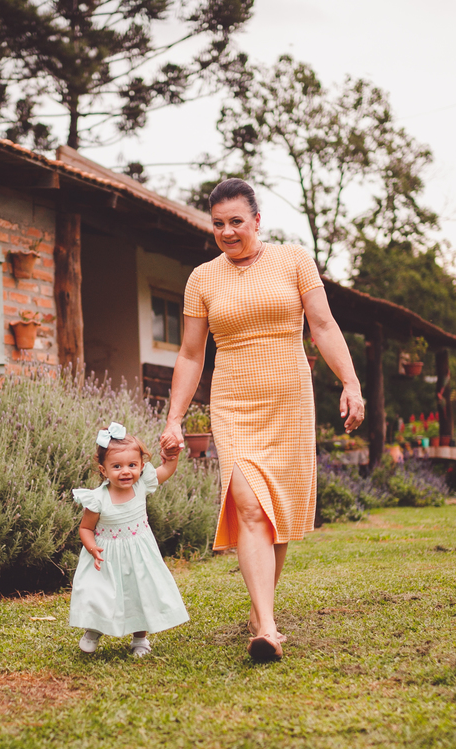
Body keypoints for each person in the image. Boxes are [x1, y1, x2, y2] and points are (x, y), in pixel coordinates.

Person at [160, 178, 364, 663]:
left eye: (236, 221)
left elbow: (322, 326)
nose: (228, 232)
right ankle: (267, 629)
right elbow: (191, 354)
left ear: (257, 220)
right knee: (249, 503)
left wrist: (350, 383)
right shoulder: (201, 279)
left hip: (289, 400)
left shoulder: (294, 260)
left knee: (277, 514)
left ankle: (259, 614)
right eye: (218, 224)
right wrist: (174, 418)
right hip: (234, 401)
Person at [70, 422, 190, 657]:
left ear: (142, 466)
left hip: (139, 555)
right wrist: (92, 547)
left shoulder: (142, 484)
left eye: (132, 465)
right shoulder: (97, 499)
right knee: (100, 595)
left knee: (140, 593)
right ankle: (93, 630)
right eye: (117, 466)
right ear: (103, 470)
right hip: (106, 557)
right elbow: (85, 528)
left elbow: (166, 470)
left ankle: (140, 639)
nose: (126, 471)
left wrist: (172, 457)